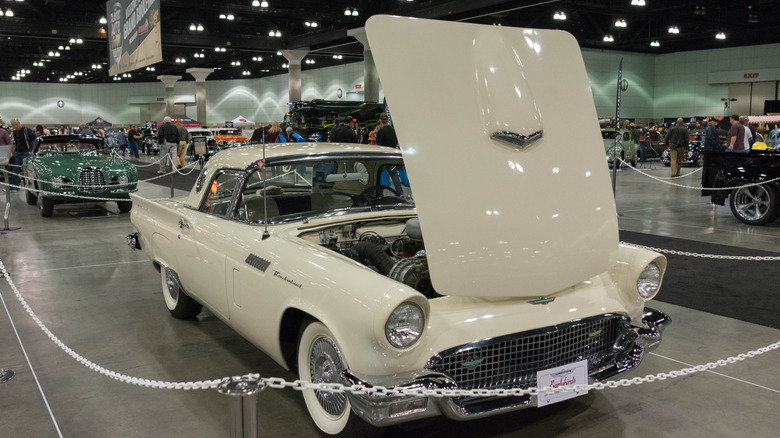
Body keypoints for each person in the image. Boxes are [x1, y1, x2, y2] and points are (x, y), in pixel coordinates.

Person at [9, 118, 38, 192]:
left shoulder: (27, 130)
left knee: (27, 170)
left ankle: (30, 187)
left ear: (19, 122)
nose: (15, 126)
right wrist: (14, 152)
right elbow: (16, 143)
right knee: (16, 169)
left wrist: (33, 151)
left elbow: (35, 140)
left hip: (26, 153)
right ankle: (13, 187)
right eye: (13, 125)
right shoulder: (15, 132)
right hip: (18, 153)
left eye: (16, 124)